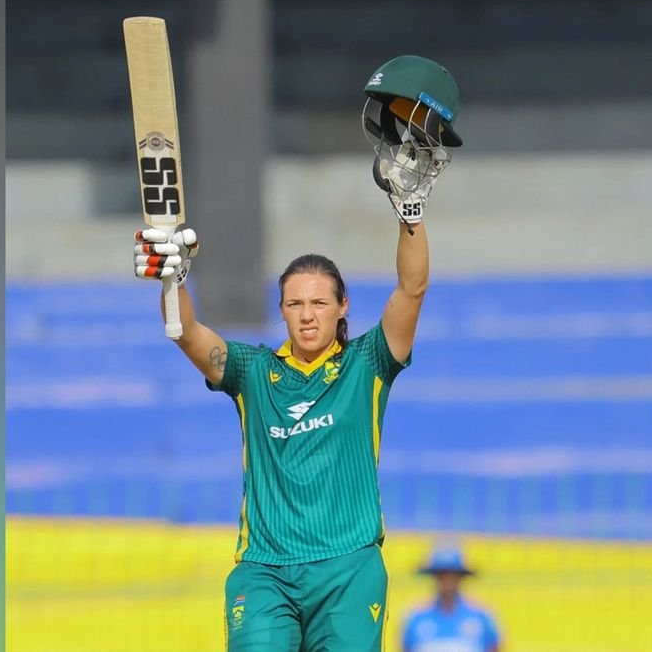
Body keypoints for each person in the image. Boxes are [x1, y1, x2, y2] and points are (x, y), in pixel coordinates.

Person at [133, 55, 463, 651]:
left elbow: (412, 289)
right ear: (282, 310)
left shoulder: (369, 364)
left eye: (318, 303)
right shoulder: (251, 373)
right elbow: (186, 332)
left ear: (342, 308)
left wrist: (410, 213)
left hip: (348, 568)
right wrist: (170, 277)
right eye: (294, 303)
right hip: (265, 573)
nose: (307, 314)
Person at [402, 547, 501, 652]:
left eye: (452, 575)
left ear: (460, 577)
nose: (447, 581)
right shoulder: (416, 618)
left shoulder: (481, 617)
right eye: (442, 575)